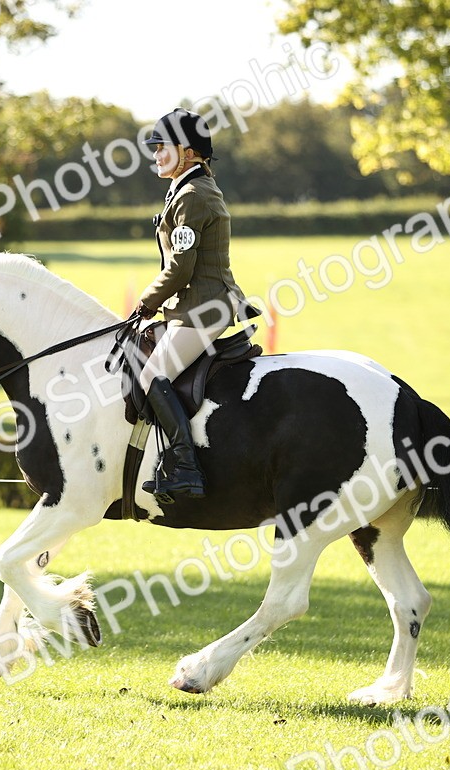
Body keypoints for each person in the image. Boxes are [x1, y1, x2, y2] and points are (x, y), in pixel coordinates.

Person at [134, 108, 257, 501]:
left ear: (187, 153)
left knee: (152, 377)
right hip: (193, 305)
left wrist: (145, 302)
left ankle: (185, 465)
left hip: (204, 307)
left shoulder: (193, 195)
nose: (155, 154)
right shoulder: (188, 190)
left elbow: (180, 269)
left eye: (162, 147)